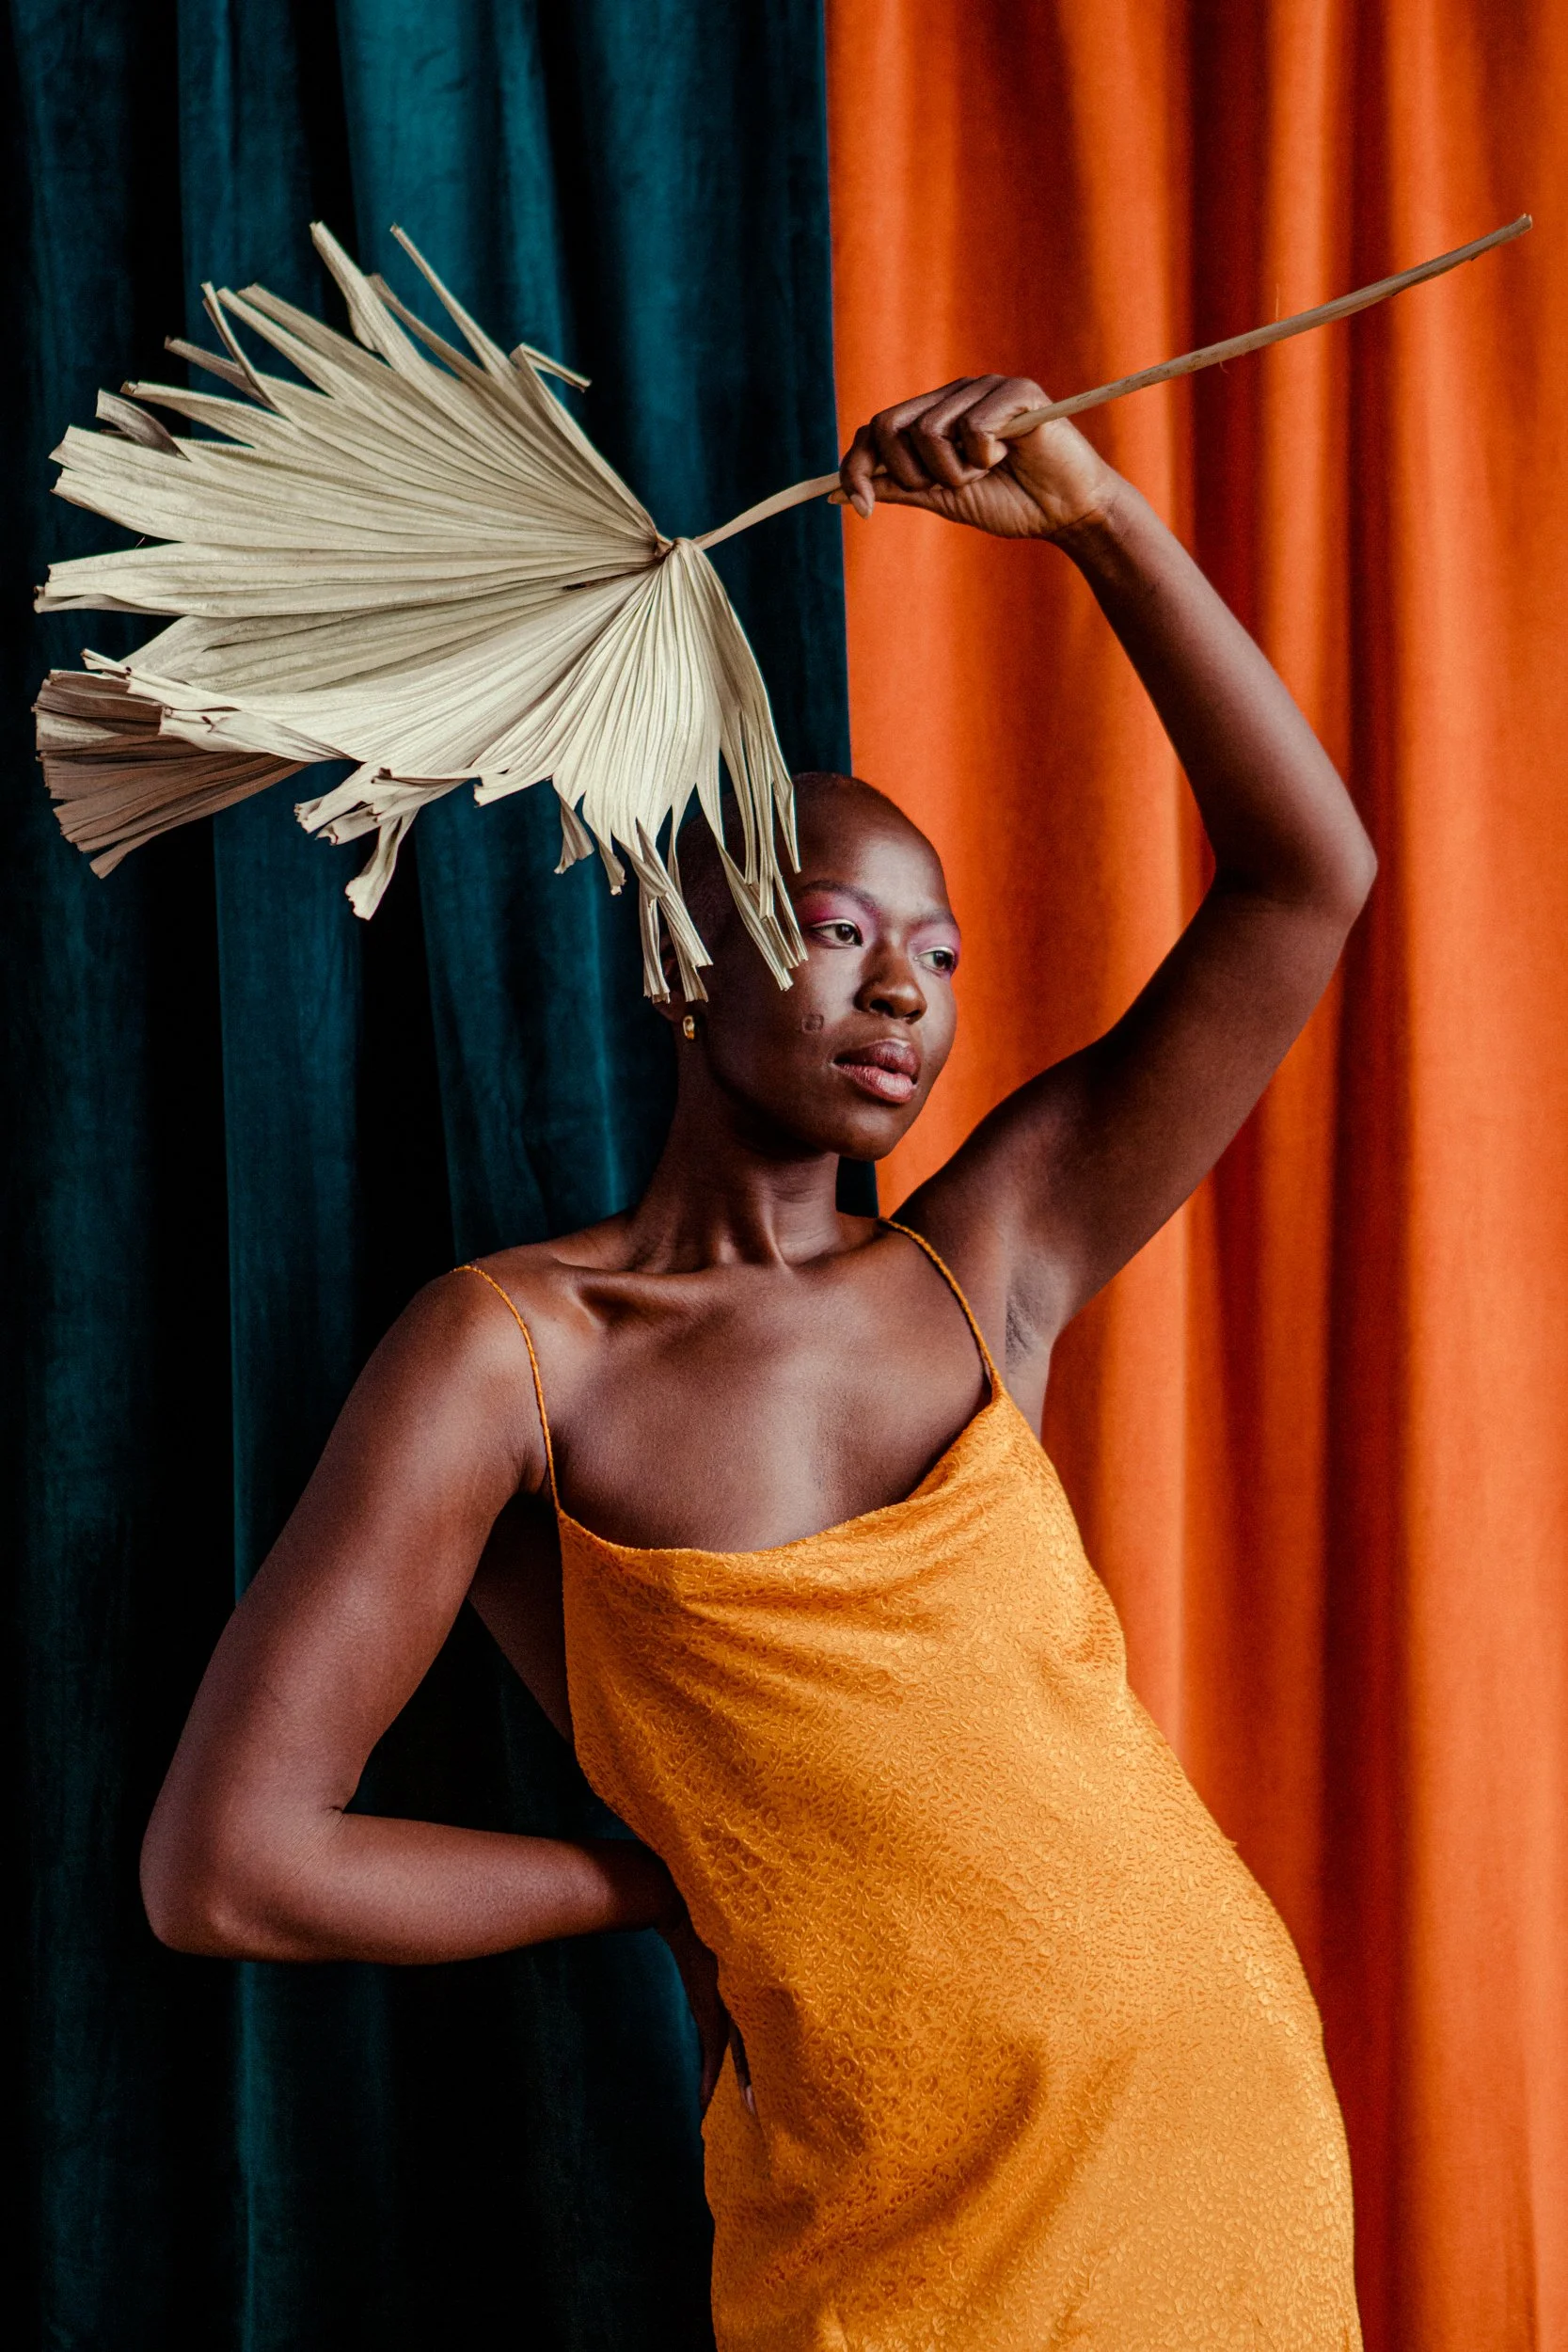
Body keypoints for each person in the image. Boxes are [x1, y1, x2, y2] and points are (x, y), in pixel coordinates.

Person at [141, 377, 1374, 2349]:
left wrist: (1090, 516)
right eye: (827, 925)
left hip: (1214, 2139)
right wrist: (653, 1883)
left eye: (940, 951)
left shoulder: (996, 1254)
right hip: (890, 2214)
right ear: (670, 948)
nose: (900, 985)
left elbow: (1306, 878)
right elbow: (228, 1866)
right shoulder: (515, 1354)